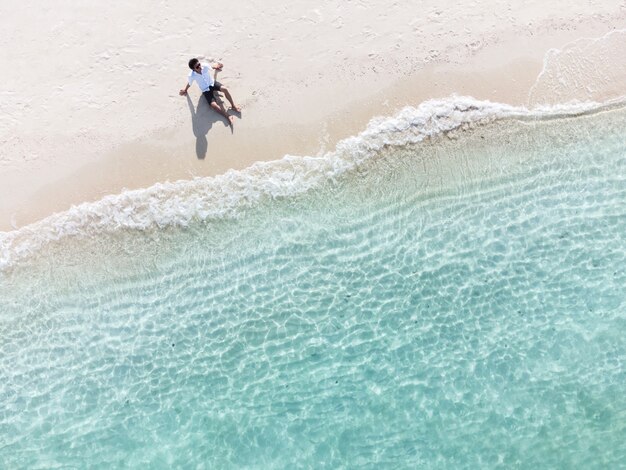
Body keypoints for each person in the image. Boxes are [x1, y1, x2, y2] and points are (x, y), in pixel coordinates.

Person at [179, 58, 240, 127]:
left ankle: (233, 106)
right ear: (193, 69)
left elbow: (211, 67)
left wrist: (217, 66)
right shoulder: (191, 75)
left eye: (199, 64)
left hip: (212, 83)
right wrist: (185, 89)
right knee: (214, 105)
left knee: (225, 89)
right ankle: (228, 116)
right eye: (197, 66)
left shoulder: (204, 66)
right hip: (205, 90)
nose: (200, 66)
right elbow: (189, 83)